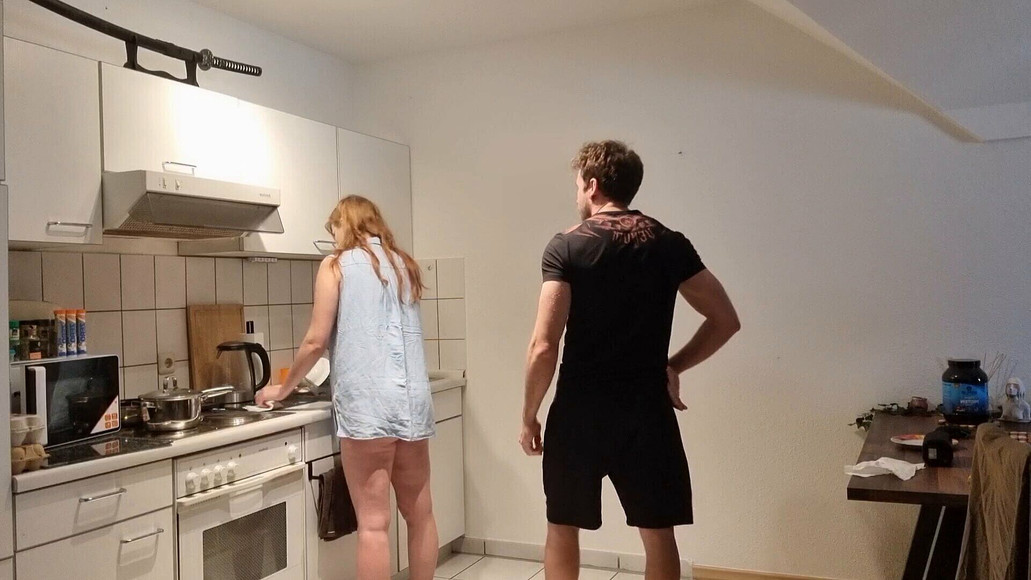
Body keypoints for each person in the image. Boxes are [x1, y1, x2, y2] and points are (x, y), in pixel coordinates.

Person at [519, 141, 741, 580]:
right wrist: (673, 365)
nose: (578, 194)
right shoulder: (669, 243)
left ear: (592, 185)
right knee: (658, 532)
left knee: (562, 526)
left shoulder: (566, 245)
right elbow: (725, 320)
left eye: (578, 186)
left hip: (580, 409)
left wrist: (529, 415)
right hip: (646, 410)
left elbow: (544, 345)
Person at [257, 195, 438, 580]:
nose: (333, 236)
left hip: (368, 407)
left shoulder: (336, 265)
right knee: (420, 515)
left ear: (348, 224)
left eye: (334, 227)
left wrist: (281, 389)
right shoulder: (404, 264)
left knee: (373, 525)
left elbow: (315, 341)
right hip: (411, 401)